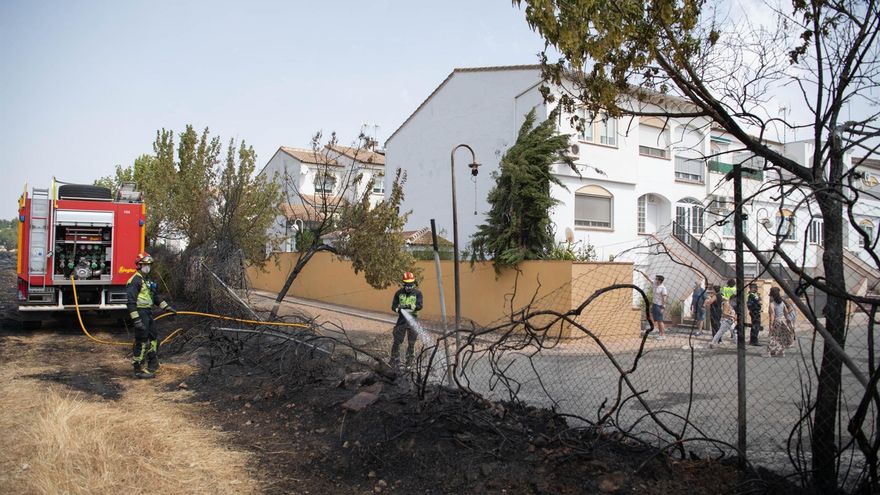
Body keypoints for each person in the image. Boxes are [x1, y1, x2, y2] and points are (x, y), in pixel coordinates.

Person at [126, 252, 176, 379]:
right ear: (139, 265)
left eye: (149, 264)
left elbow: (155, 297)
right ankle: (138, 369)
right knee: (141, 341)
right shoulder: (135, 281)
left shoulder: (147, 280)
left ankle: (152, 363)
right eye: (145, 264)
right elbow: (130, 302)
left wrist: (167, 308)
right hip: (140, 312)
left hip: (148, 312)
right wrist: (136, 320)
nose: (147, 267)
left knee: (154, 338)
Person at [390, 271, 423, 368]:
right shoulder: (398, 293)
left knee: (411, 343)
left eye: (411, 284)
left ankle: (409, 363)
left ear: (413, 283)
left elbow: (420, 306)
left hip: (413, 321)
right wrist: (398, 310)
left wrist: (411, 306)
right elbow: (393, 306)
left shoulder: (417, 293)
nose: (409, 286)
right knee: (397, 341)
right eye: (407, 284)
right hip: (401, 321)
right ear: (403, 283)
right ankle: (394, 360)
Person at [766, 287, 794, 357]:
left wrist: (770, 324)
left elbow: (772, 315)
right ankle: (781, 352)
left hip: (776, 321)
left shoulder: (772, 304)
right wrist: (788, 321)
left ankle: (769, 352)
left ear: (772, 296)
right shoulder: (782, 303)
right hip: (783, 320)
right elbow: (786, 312)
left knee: (772, 336)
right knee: (781, 337)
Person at [651, 275, 668, 340]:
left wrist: (663, 307)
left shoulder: (663, 288)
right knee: (658, 321)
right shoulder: (655, 283)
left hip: (659, 306)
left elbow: (664, 298)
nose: (655, 280)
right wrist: (641, 272)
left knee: (660, 321)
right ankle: (660, 334)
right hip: (654, 304)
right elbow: (648, 278)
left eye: (657, 279)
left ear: (660, 280)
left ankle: (663, 335)